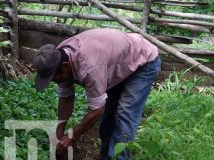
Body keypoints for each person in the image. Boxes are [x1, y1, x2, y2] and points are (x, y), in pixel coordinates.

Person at [33, 28, 161, 160]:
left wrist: (71, 137)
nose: (56, 82)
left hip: (143, 61)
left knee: (125, 113)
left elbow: (97, 110)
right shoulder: (58, 57)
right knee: (109, 113)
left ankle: (119, 158)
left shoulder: (90, 66)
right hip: (117, 63)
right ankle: (105, 156)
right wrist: (59, 133)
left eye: (55, 78)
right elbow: (66, 98)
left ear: (65, 66)